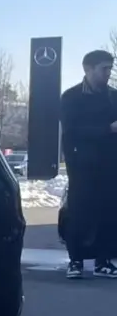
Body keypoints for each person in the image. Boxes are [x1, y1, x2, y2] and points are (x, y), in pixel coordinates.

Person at [59, 49, 117, 278]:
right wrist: (108, 129)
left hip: (110, 165)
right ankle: (75, 261)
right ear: (88, 69)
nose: (108, 73)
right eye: (104, 69)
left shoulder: (113, 96)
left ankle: (104, 260)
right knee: (78, 212)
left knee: (109, 212)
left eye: (110, 69)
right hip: (82, 165)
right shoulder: (71, 97)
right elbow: (72, 131)